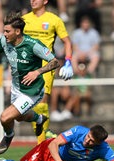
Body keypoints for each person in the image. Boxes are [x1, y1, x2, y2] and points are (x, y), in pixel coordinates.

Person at [0, 13, 61, 155]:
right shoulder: (4, 41)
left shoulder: (33, 45)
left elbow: (55, 62)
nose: (4, 34)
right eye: (4, 31)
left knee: (5, 117)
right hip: (16, 88)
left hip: (33, 92)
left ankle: (8, 136)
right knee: (19, 117)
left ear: (17, 32)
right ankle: (39, 119)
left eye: (7, 31)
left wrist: (37, 72)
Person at [22, 0, 73, 144]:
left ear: (45, 1)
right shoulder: (24, 20)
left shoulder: (54, 20)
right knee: (29, 105)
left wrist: (68, 62)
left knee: (42, 101)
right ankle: (45, 132)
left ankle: (41, 143)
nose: (33, 1)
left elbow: (67, 42)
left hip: (46, 65)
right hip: (27, 65)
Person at [0, 124, 114, 161]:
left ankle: (56, 136)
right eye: (88, 136)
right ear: (87, 131)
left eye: (91, 141)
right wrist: (58, 160)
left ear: (98, 143)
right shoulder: (78, 131)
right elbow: (53, 145)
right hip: (48, 150)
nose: (87, 141)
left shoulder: (103, 148)